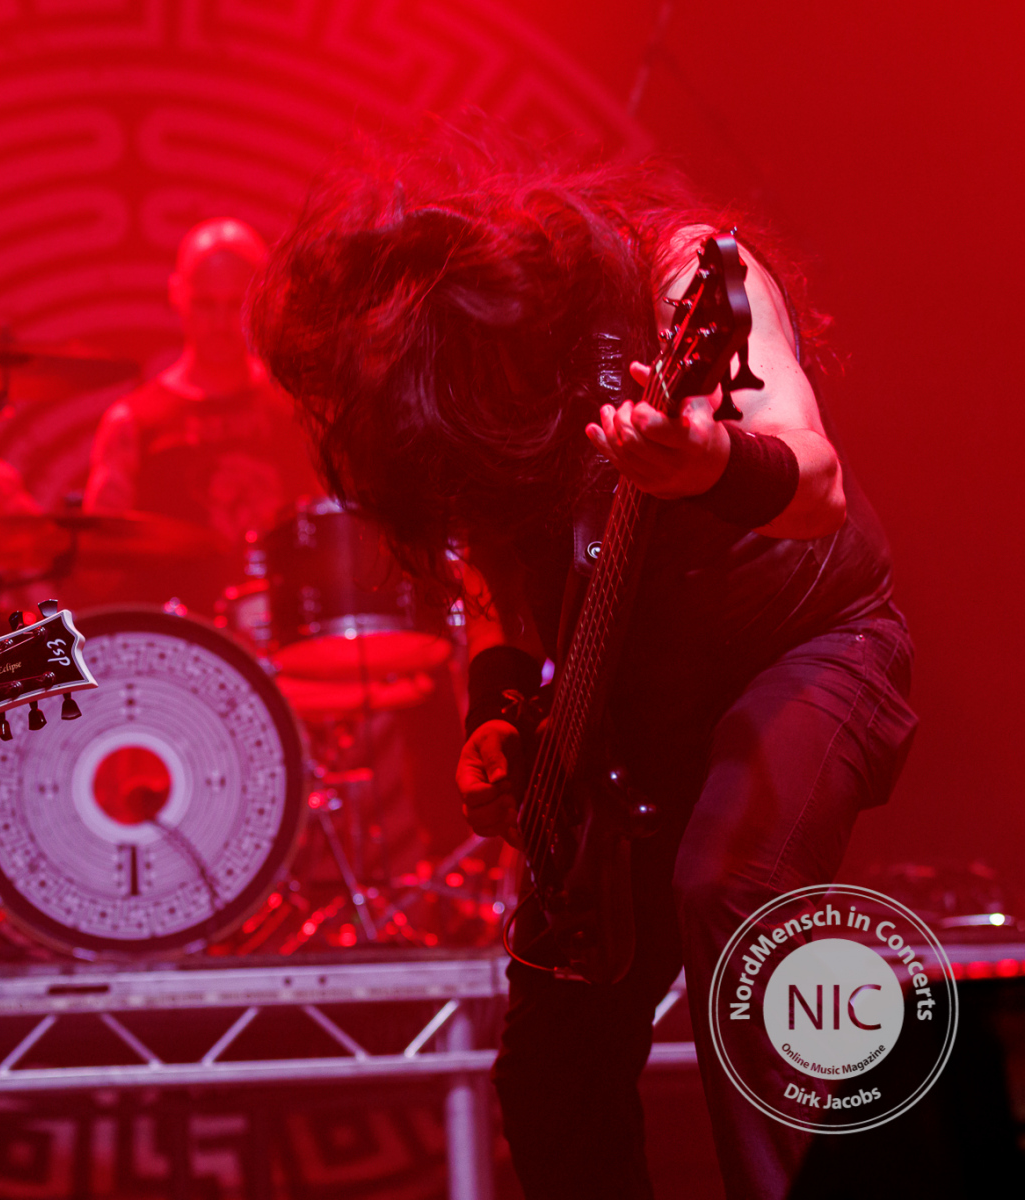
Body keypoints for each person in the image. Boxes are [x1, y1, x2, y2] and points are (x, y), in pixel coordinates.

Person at [251, 128, 916, 1199]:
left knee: (731, 891)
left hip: (805, 643)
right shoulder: (463, 412)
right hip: (628, 712)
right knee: (549, 1072)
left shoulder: (679, 272)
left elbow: (816, 485)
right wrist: (498, 708)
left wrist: (709, 463)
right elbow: (492, 572)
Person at [84, 217, 318, 607]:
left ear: (261, 299)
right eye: (205, 304)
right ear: (176, 294)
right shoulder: (132, 423)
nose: (221, 323)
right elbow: (96, 575)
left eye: (234, 305)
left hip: (287, 622)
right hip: (178, 634)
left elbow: (340, 533)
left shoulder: (299, 409)